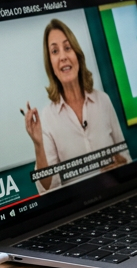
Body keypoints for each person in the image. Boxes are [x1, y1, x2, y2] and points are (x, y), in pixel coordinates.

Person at [24, 19, 129, 192]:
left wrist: (121, 164)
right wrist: (38, 146)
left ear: (77, 55)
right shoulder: (48, 117)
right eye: (55, 51)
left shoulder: (103, 100)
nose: (63, 56)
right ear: (51, 64)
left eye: (67, 48)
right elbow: (47, 190)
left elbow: (126, 157)